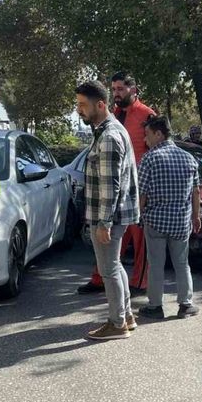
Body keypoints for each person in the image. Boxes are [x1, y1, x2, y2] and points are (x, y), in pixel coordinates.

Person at [78, 71, 155, 295]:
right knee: (108, 243)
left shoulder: (146, 114)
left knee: (139, 241)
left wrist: (148, 188)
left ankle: (139, 283)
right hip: (114, 187)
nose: (116, 93)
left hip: (137, 187)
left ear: (134, 89)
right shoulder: (113, 116)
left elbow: (154, 150)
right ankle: (100, 279)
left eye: (121, 89)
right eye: (113, 89)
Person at [76, 80, 140, 340]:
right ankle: (126, 316)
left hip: (108, 217)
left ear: (100, 104)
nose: (79, 110)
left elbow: (110, 185)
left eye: (83, 105)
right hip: (114, 215)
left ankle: (117, 324)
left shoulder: (110, 135)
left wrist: (103, 222)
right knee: (115, 266)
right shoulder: (109, 130)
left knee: (109, 269)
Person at [136, 116, 201, 319]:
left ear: (158, 133)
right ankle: (185, 304)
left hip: (155, 220)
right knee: (182, 263)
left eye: (147, 135)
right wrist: (196, 217)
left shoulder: (149, 159)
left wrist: (139, 216)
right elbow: (196, 192)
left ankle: (155, 306)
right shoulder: (189, 158)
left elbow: (142, 193)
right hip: (181, 221)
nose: (145, 140)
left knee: (155, 264)